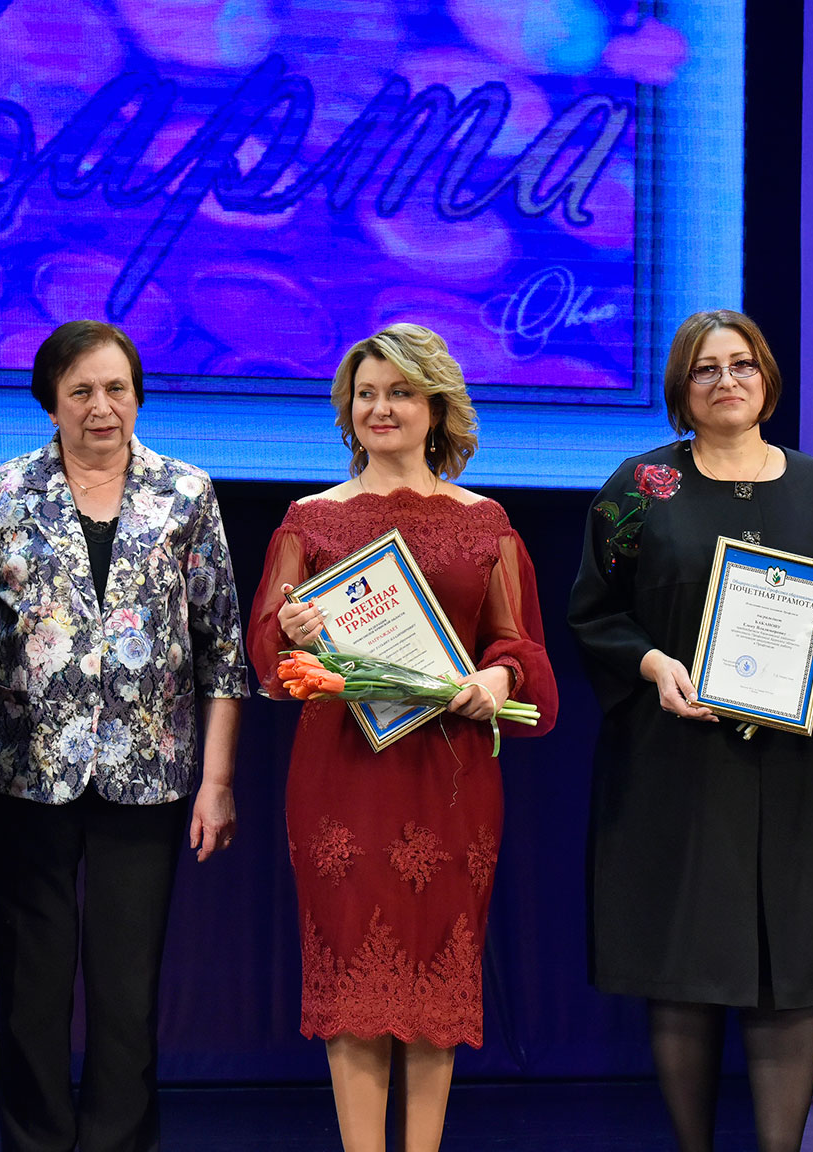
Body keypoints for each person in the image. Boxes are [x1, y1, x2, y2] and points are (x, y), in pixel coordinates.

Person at [567, 310, 813, 1152]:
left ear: (767, 378)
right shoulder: (640, 486)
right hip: (675, 758)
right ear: (681, 388)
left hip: (798, 764)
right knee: (684, 963)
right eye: (704, 369)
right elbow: (594, 612)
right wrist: (652, 666)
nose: (726, 381)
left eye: (741, 364)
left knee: (793, 969)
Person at [246, 323, 558, 1152]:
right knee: (355, 981)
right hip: (342, 779)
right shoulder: (309, 520)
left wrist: (499, 681)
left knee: (436, 979)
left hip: (451, 777)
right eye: (367, 394)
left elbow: (519, 644)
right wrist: (293, 631)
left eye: (401, 393)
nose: (380, 408)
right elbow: (268, 658)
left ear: (437, 407)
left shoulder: (487, 521)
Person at [0, 319, 246, 1152]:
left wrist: (217, 784)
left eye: (116, 388)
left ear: (138, 396)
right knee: (32, 992)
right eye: (80, 390)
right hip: (22, 777)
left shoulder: (186, 493)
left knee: (126, 994)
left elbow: (224, 651)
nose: (101, 406)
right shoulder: (4, 493)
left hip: (147, 780)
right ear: (51, 403)